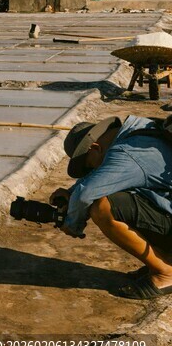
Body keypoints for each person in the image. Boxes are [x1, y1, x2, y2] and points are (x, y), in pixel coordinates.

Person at [51, 115, 172, 299]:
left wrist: (72, 223)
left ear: (95, 148)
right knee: (121, 195)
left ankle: (166, 272)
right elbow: (103, 175)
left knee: (103, 207)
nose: (93, 170)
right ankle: (164, 258)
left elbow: (87, 192)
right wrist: (71, 193)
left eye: (91, 165)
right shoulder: (142, 130)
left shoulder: (127, 153)